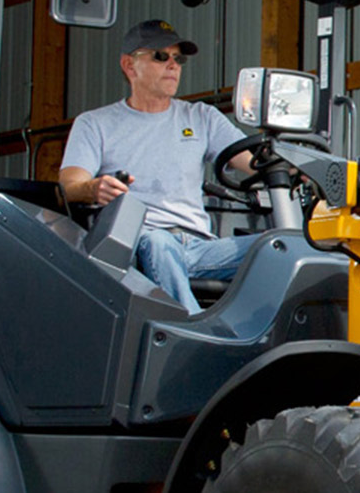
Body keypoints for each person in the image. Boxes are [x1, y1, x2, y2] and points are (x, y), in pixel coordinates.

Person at [58, 19, 255, 314]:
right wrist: (94, 188)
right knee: (160, 244)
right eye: (161, 56)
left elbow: (255, 162)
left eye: (179, 58)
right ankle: (196, 332)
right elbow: (68, 186)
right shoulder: (95, 123)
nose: (173, 65)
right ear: (129, 65)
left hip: (203, 248)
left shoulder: (202, 117)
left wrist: (300, 169)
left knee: (282, 246)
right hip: (142, 243)